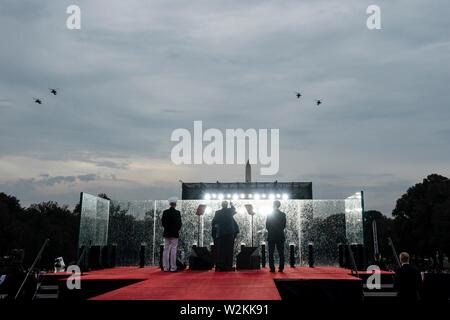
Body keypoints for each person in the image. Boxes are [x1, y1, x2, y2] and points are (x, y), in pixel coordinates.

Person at [212, 201, 239, 271]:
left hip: (221, 234)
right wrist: (232, 204)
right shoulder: (230, 211)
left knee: (221, 251)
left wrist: (217, 229)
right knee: (229, 250)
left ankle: (221, 266)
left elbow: (213, 222)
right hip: (230, 234)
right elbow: (234, 209)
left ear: (221, 205)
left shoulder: (217, 212)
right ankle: (228, 266)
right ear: (227, 205)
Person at [161, 197, 182, 272]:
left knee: (166, 250)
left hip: (167, 233)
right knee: (173, 250)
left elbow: (163, 223)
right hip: (174, 233)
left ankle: (165, 267)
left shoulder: (165, 212)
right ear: (175, 204)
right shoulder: (177, 213)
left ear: (170, 204)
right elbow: (179, 224)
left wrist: (167, 229)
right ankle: (173, 267)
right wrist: (176, 229)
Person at [266, 200, 287, 272]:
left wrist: (272, 230)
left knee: (271, 253)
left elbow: (267, 226)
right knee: (281, 253)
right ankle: (281, 268)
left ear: (273, 205)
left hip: (271, 235)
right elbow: (284, 226)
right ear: (279, 205)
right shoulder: (283, 214)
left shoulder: (269, 214)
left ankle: (272, 268)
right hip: (280, 235)